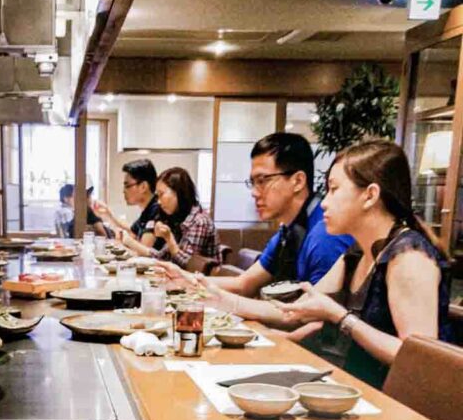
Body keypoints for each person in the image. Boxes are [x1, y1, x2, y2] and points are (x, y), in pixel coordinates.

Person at [160, 140, 452, 389]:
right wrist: (216, 297)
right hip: (346, 386)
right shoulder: (356, 252)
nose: (324, 202)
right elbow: (296, 310)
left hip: (388, 405)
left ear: (370, 195)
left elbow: (417, 358)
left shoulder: (409, 255)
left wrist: (340, 317)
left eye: (334, 189)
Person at [211, 132, 353, 295]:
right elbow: (244, 284)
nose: (254, 193)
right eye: (253, 182)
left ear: (298, 181)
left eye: (262, 180)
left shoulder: (326, 232)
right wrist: (191, 280)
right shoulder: (289, 230)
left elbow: (315, 308)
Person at [118, 167, 219, 271]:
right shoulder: (178, 219)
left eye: (161, 194)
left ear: (179, 192)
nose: (158, 202)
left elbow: (188, 266)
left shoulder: (199, 221)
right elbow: (162, 256)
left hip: (201, 281)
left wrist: (169, 239)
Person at [92, 158, 159, 247]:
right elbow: (132, 232)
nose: (123, 191)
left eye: (127, 186)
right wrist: (108, 215)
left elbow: (144, 249)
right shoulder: (147, 210)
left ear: (143, 187)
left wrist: (125, 241)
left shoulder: (156, 209)